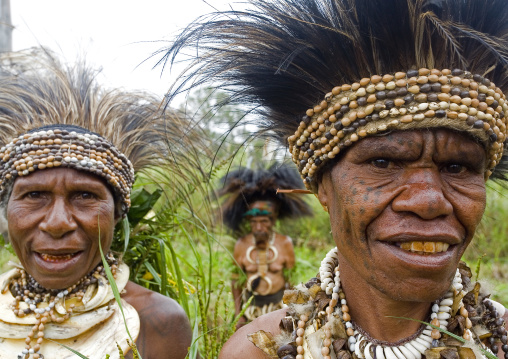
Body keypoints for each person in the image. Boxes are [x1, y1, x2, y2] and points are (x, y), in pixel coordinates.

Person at [163, 0, 508, 358]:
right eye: (383, 161)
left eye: (458, 168)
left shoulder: (501, 340)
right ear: (322, 186)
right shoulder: (255, 351)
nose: (429, 200)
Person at [0, 51, 192, 359]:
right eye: (34, 195)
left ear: (118, 214)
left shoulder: (156, 323)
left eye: (85, 196)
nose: (58, 223)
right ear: (7, 211)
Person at [218, 164, 312, 324]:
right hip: (250, 311)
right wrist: (238, 313)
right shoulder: (241, 244)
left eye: (264, 221)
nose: (259, 227)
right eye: (254, 222)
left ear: (273, 220)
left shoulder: (285, 243)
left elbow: (290, 280)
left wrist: (291, 311)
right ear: (249, 221)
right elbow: (236, 281)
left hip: (277, 310)